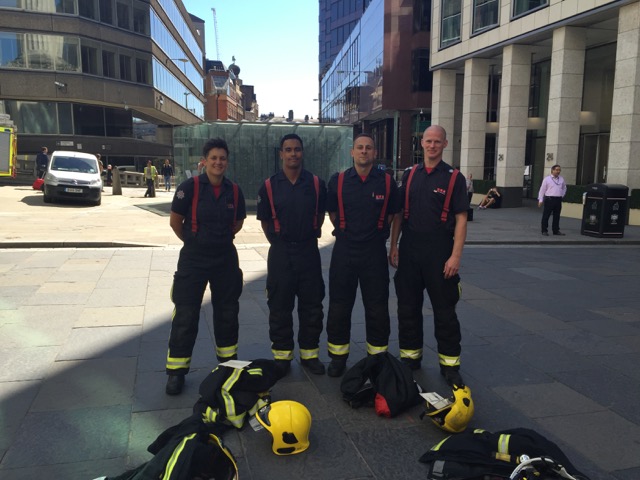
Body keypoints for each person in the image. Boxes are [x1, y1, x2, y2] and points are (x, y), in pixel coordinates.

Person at [388, 125, 469, 388]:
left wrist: (455, 257)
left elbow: (461, 219)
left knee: (445, 311)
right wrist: (394, 245)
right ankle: (411, 359)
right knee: (407, 308)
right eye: (428, 141)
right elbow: (399, 214)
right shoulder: (410, 175)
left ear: (445, 144)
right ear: (421, 143)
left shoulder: (454, 177)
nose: (432, 146)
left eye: (437, 142)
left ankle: (449, 365)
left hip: (440, 250)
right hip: (410, 248)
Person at [164, 138, 246, 395]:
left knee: (227, 313)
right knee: (186, 315)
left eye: (222, 158)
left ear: (227, 162)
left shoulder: (234, 191)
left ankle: (228, 367)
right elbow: (176, 222)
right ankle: (176, 372)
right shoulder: (189, 188)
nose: (218, 162)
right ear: (205, 161)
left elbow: (238, 223)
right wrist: (194, 241)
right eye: (214, 158)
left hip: (225, 258)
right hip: (194, 259)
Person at [325, 134, 399, 377]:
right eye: (359, 148)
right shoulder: (339, 181)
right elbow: (333, 213)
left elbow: (393, 215)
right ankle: (338, 358)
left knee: (377, 307)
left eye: (368, 148)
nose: (364, 151)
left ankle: (377, 357)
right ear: (352, 152)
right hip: (345, 250)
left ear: (374, 152)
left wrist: (383, 238)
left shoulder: (387, 183)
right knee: (338, 306)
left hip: (374, 252)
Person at [257, 133, 327, 376]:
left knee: (312, 305)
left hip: (308, 250)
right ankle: (282, 357)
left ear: (302, 152)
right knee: (279, 305)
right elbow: (265, 222)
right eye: (288, 150)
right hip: (281, 253)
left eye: (297, 149)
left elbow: (319, 217)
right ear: (281, 154)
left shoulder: (317, 184)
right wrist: (279, 241)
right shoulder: (268, 186)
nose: (293, 154)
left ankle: (310, 355)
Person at [538, 164, 567, 236]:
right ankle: (544, 230)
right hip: (549, 199)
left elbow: (564, 188)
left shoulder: (561, 179)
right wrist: (540, 200)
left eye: (559, 170)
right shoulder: (547, 179)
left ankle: (556, 230)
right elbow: (542, 190)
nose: (558, 171)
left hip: (558, 199)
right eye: (556, 170)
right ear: (552, 170)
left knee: (557, 216)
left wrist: (561, 195)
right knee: (546, 215)